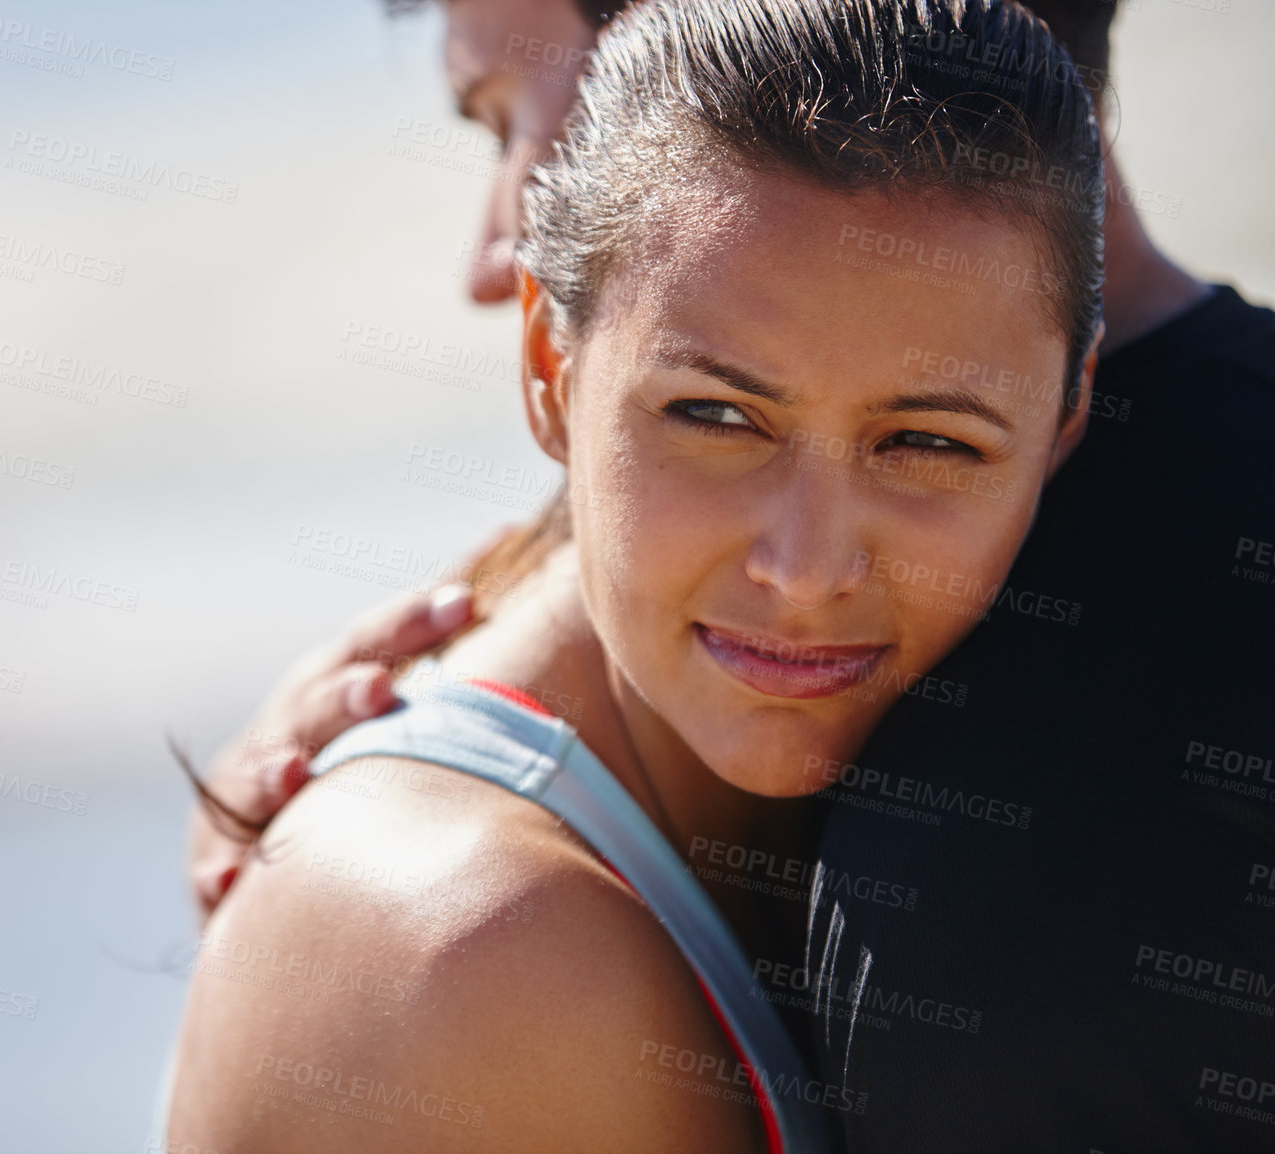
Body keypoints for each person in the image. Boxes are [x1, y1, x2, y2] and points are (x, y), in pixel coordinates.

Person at [187, 0, 1275, 1148]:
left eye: (526, 113)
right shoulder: (465, 927)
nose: (495, 244)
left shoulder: (1022, 838)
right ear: (550, 361)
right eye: (712, 413)